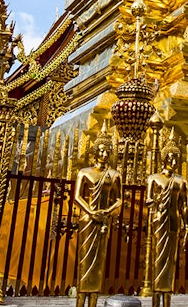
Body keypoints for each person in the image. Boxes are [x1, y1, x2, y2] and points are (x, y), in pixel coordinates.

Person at [75, 125, 123, 307]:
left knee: (98, 264)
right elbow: (78, 196)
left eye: (107, 151)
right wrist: (91, 212)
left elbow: (118, 199)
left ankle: (94, 300)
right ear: (95, 151)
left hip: (104, 220)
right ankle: (80, 300)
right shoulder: (85, 172)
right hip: (88, 220)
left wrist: (107, 212)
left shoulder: (114, 175)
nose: (104, 154)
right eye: (101, 151)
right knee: (85, 261)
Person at [146, 130, 188, 307]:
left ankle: (167, 299)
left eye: (175, 158)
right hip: (158, 220)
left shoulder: (181, 181)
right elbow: (148, 200)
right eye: (170, 157)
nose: (173, 161)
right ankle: (156, 298)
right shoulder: (154, 178)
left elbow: (184, 206)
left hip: (173, 221)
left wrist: (187, 226)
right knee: (157, 257)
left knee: (171, 260)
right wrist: (155, 201)